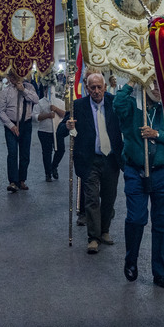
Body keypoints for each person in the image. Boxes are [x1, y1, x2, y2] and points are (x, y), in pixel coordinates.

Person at [114, 78, 164, 288]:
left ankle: (160, 272)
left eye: (161, 84)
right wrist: (133, 78)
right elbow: (117, 104)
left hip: (163, 172)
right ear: (144, 85)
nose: (158, 89)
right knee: (136, 218)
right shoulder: (132, 107)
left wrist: (157, 134)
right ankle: (131, 260)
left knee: (162, 222)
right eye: (154, 84)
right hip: (135, 170)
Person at [65, 72, 123, 254]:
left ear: (105, 87)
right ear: (87, 88)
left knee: (109, 198)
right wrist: (68, 126)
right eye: (93, 88)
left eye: (99, 87)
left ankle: (104, 231)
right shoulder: (78, 106)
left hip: (111, 159)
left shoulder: (115, 103)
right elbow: (62, 130)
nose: (96, 91)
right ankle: (93, 238)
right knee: (91, 199)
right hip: (89, 160)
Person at [0, 70, 40, 193]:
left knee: (25, 153)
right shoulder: (5, 91)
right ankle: (13, 181)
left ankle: (22, 180)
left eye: (15, 75)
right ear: (9, 77)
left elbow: (36, 100)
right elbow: (0, 111)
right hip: (11, 125)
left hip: (26, 124)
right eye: (11, 76)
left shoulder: (29, 87)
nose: (13, 78)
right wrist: (11, 125)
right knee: (12, 153)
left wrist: (23, 90)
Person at [34, 83, 65, 181]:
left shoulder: (60, 102)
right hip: (44, 131)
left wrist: (55, 109)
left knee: (60, 150)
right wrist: (47, 115)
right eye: (47, 90)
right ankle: (48, 173)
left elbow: (64, 114)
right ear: (44, 91)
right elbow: (36, 117)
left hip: (57, 131)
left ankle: (54, 166)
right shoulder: (39, 103)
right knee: (47, 153)